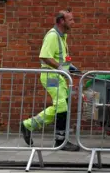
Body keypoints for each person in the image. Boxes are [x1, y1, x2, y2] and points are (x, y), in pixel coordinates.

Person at [20, 8, 80, 151]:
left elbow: (62, 58)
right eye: (70, 19)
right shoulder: (52, 36)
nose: (73, 22)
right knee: (62, 106)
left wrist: (72, 67)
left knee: (61, 105)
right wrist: (61, 68)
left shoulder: (62, 37)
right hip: (51, 76)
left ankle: (28, 125)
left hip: (58, 76)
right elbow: (44, 56)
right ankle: (60, 142)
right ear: (61, 21)